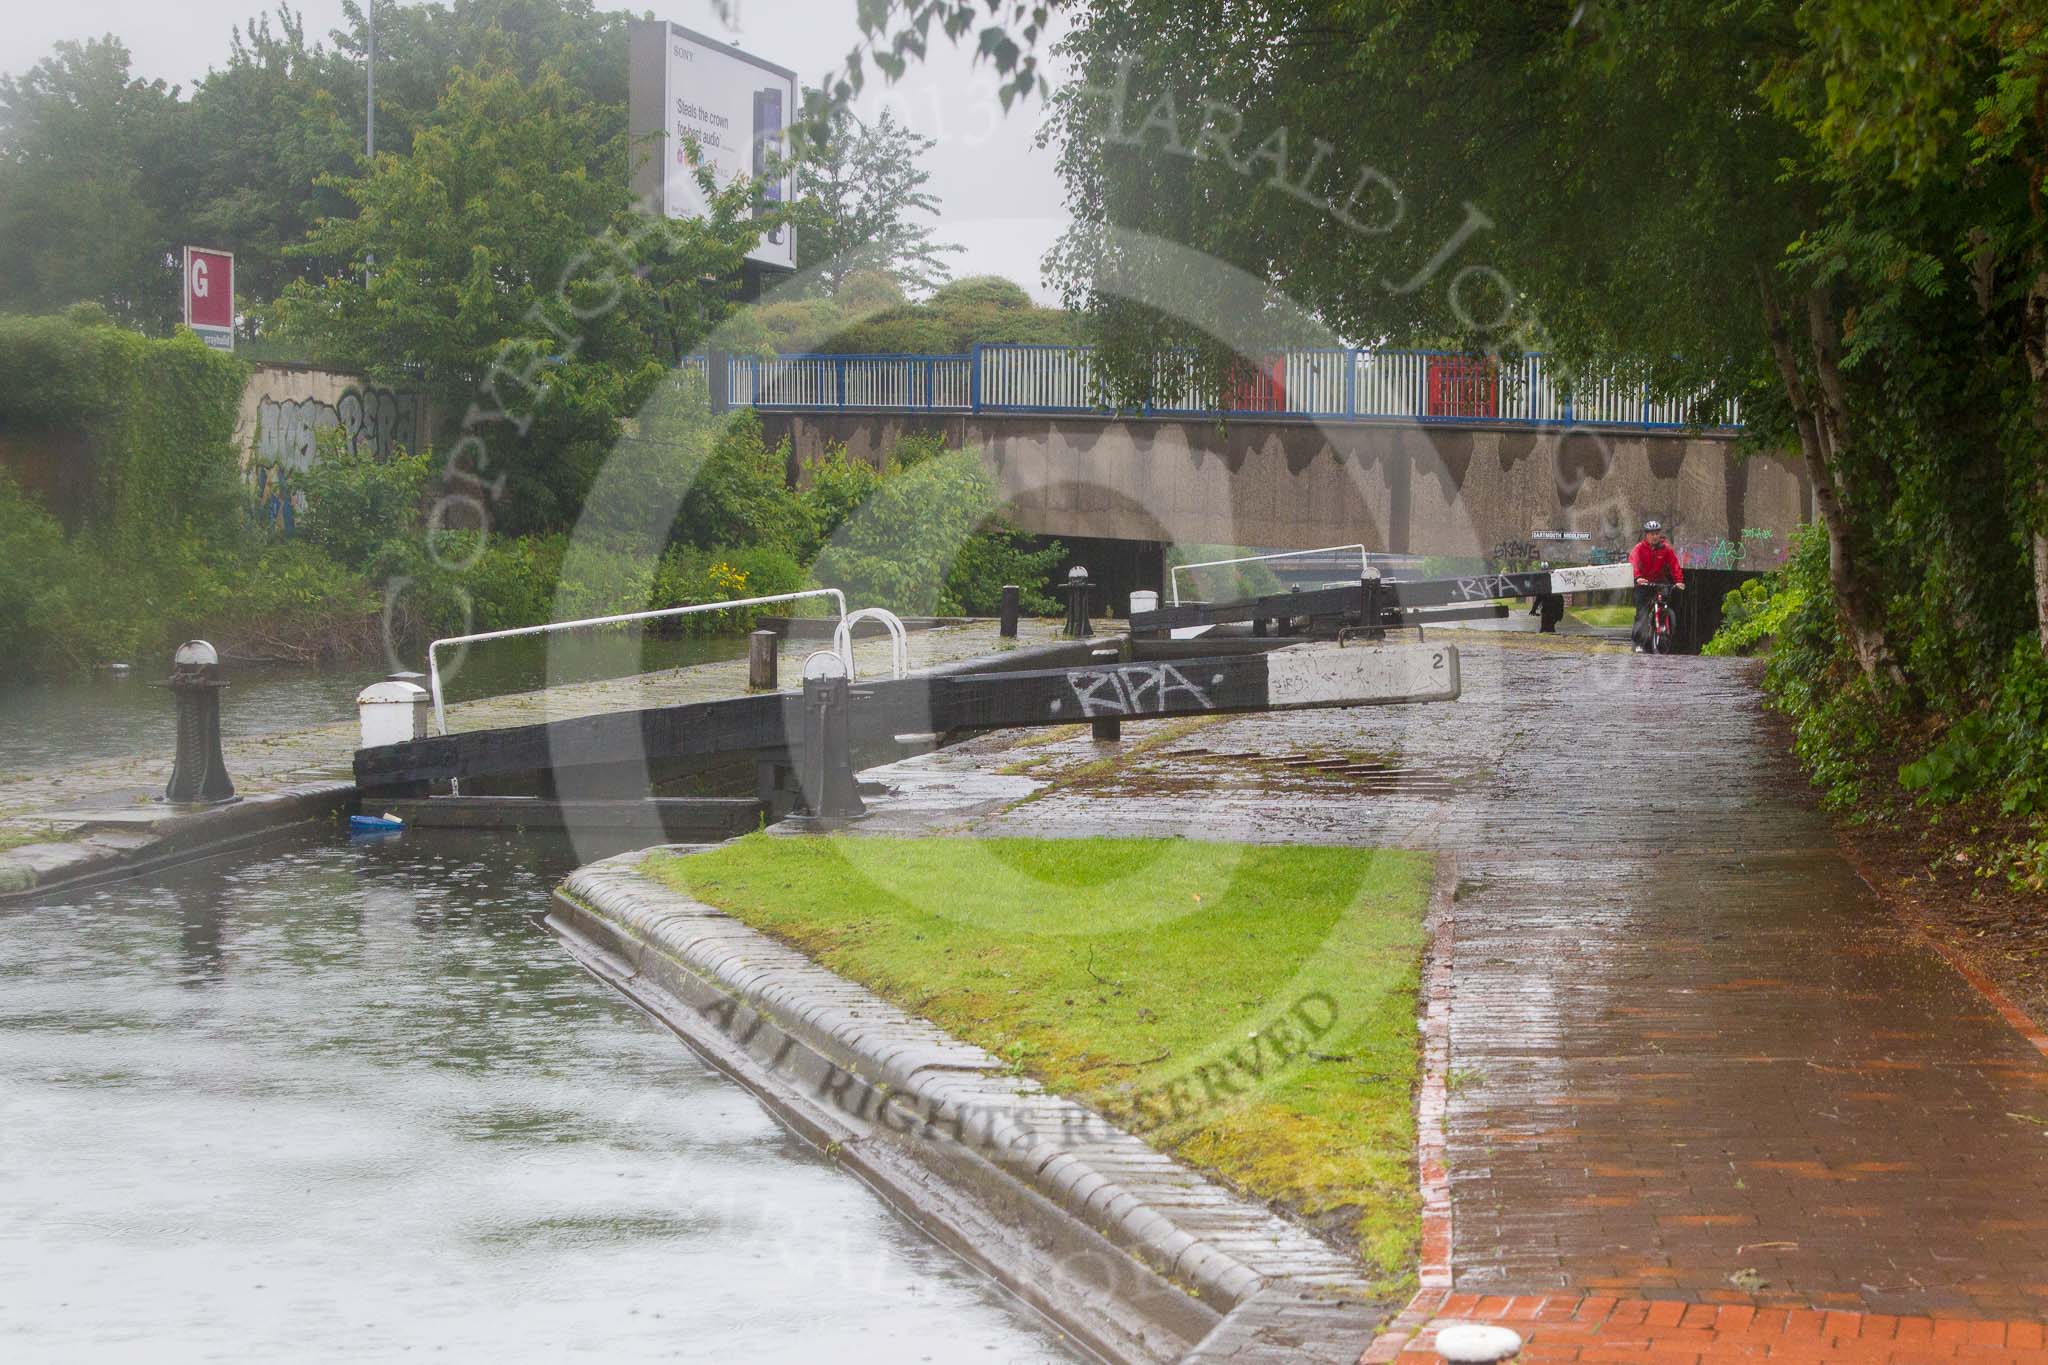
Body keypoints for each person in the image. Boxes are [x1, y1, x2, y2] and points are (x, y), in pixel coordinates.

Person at [1630, 520, 1685, 653]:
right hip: (1643, 583)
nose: (1654, 536)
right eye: (1651, 534)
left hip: (1659, 581)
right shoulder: (1639, 549)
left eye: (1657, 533)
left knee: (1668, 598)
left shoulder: (1665, 549)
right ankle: (1638, 643)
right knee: (1642, 614)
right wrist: (1638, 578)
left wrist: (1679, 581)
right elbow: (1634, 563)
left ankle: (1664, 621)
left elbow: (1674, 565)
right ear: (1646, 535)